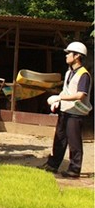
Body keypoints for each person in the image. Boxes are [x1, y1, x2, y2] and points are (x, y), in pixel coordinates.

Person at [39, 42, 92, 178]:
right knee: (59, 140)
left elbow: (81, 95)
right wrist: (58, 101)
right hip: (65, 111)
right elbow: (66, 91)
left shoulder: (84, 75)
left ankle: (74, 169)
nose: (67, 55)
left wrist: (60, 98)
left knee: (74, 142)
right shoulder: (69, 72)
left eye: (69, 53)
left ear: (77, 56)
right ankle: (53, 164)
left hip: (75, 114)